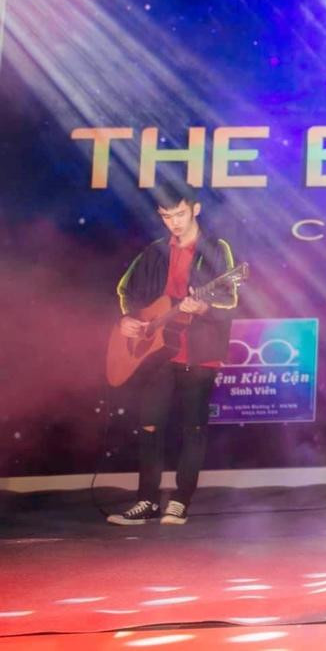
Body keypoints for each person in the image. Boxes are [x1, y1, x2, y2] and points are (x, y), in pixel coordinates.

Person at [108, 184, 237, 526]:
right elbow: (125, 289)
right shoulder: (154, 252)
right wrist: (129, 319)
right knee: (150, 424)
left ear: (195, 209)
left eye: (179, 214)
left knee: (192, 427)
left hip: (200, 352)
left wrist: (204, 307)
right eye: (166, 217)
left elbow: (231, 300)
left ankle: (180, 501)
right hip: (157, 353)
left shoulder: (216, 249)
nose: (174, 222)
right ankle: (146, 500)